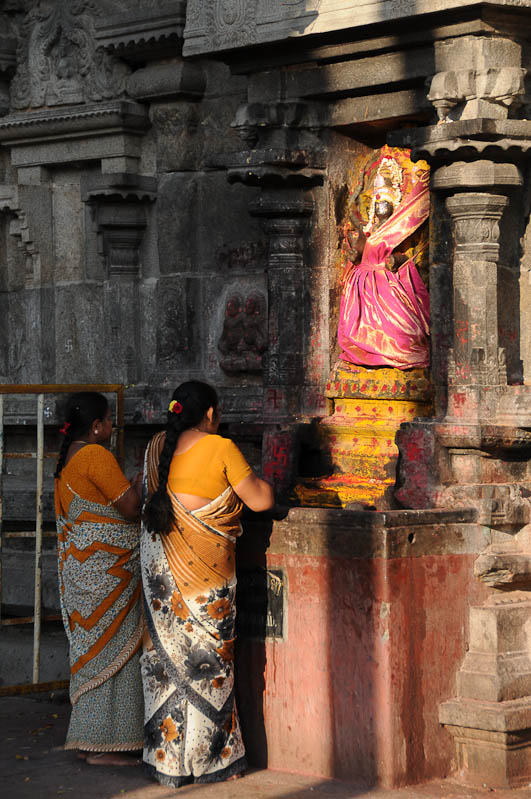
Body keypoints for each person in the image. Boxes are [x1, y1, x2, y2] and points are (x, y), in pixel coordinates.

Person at [141, 380, 274, 787]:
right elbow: (261, 501)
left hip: (157, 569)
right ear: (211, 414)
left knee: (164, 661)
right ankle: (212, 759)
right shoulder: (221, 449)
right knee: (208, 664)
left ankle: (166, 761)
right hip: (205, 580)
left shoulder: (155, 448)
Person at [54, 392, 144, 764]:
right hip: (108, 574)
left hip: (83, 575)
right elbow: (130, 508)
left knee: (97, 656)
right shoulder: (94, 455)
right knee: (117, 658)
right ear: (96, 427)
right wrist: (140, 481)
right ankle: (106, 747)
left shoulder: (68, 461)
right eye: (109, 421)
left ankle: (89, 740)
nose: (111, 427)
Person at [338, 152, 431, 370]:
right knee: (356, 326)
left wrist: (395, 261)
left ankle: (393, 355)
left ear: (394, 203)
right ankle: (364, 356)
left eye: (385, 200)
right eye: (377, 200)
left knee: (404, 330)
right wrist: (353, 252)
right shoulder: (368, 231)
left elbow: (400, 256)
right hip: (361, 284)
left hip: (385, 284)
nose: (380, 204)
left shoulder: (394, 228)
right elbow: (356, 251)